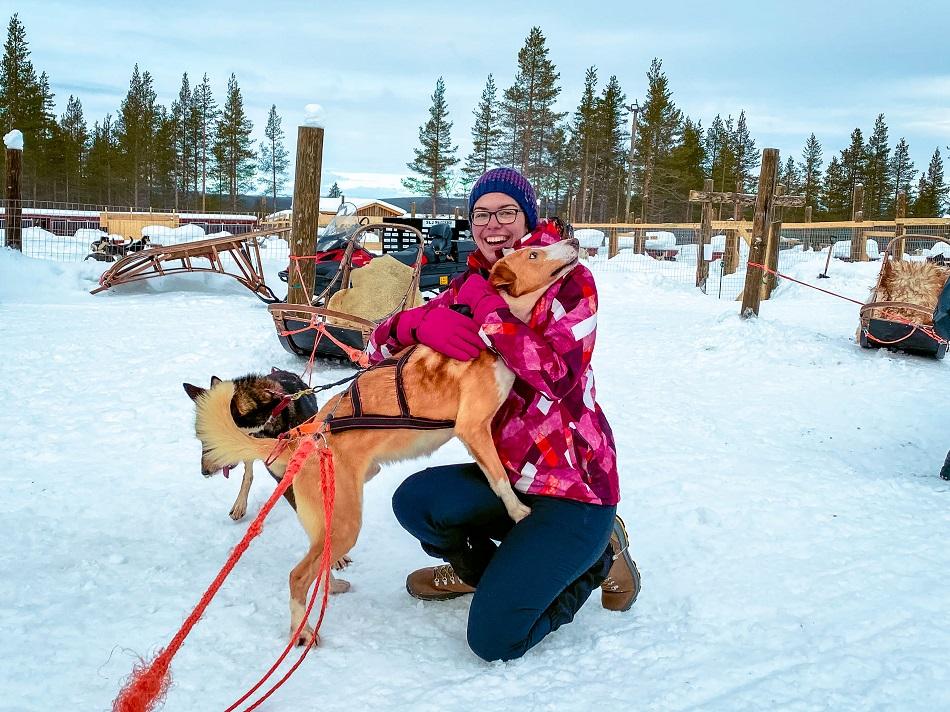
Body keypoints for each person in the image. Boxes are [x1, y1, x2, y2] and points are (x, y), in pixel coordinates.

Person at [366, 167, 640, 662]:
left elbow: (557, 376)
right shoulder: (474, 283)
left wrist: (489, 313)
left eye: (507, 212)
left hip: (572, 486)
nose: (494, 225)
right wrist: (411, 323)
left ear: (527, 217)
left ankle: (599, 557)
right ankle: (485, 575)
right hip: (507, 476)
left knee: (493, 640)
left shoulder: (567, 279)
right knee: (415, 501)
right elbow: (374, 352)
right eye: (481, 214)